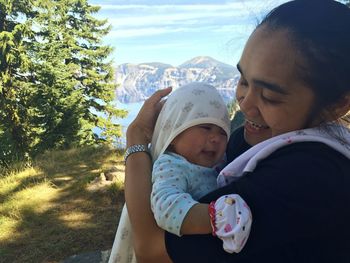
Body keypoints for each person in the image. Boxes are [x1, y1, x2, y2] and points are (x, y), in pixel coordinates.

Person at [124, 1, 350, 262]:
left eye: (270, 96)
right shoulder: (255, 141)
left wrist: (137, 137)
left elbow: (150, 250)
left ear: (336, 105)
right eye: (243, 81)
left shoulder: (306, 179)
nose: (245, 103)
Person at [109, 82, 251, 263]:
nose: (216, 138)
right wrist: (217, 217)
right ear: (175, 132)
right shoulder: (171, 165)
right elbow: (167, 208)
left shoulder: (218, 161)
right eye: (205, 128)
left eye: (223, 132)